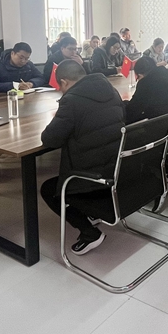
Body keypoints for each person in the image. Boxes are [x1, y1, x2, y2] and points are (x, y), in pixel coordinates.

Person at [40, 60, 124, 254]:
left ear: (64, 81)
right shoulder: (111, 90)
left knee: (49, 189)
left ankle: (89, 233)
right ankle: (90, 213)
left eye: (60, 87)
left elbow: (50, 139)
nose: (61, 91)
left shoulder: (72, 100)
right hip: (116, 170)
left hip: (92, 179)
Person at [124, 56, 168, 189]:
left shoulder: (147, 82)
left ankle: (139, 181)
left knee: (129, 134)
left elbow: (132, 112)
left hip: (165, 130)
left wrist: (121, 110)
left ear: (140, 75)